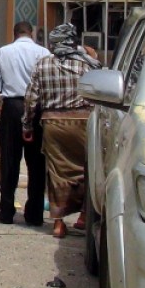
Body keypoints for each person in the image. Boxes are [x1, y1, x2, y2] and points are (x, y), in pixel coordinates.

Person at [24, 23, 100, 238]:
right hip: (84, 121)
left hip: (53, 123)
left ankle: (58, 223)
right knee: (88, 169)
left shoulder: (43, 64)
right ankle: (84, 217)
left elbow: (32, 99)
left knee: (57, 173)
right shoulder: (88, 65)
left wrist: (27, 125)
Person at [0, 21, 50, 225]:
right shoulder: (43, 53)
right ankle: (34, 214)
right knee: (37, 164)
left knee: (10, 162)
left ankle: (6, 211)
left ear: (14, 34)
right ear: (31, 33)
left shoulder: (3, 52)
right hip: (37, 109)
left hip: (12, 108)